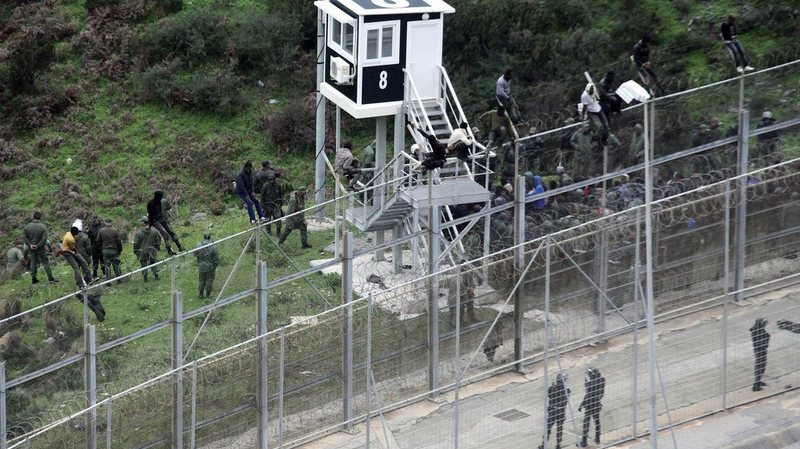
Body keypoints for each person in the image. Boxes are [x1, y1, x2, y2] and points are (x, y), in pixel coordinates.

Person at [23, 211, 57, 284]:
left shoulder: (27, 227)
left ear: (33, 217)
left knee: (33, 262)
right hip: (40, 248)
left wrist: (30, 245)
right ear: (40, 217)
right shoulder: (43, 227)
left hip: (31, 248)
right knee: (45, 262)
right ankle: (50, 278)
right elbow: (44, 239)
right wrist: (38, 245)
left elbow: (25, 238)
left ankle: (34, 278)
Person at [539, 373, 570, 449]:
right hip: (560, 412)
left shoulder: (553, 389)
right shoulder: (567, 390)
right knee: (559, 429)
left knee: (549, 428)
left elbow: (549, 395)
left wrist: (553, 389)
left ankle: (544, 445)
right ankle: (558, 445)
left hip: (553, 412)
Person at [578, 367, 606, 447]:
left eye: (589, 374)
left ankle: (584, 442)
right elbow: (601, 394)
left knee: (586, 422)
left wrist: (581, 405)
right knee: (597, 421)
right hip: (596, 404)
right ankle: (597, 438)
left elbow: (587, 395)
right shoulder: (601, 381)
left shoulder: (590, 384)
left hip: (589, 405)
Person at [234, 160, 267, 225]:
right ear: (245, 167)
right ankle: (252, 219)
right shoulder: (240, 174)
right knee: (249, 203)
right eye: (248, 169)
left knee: (256, 201)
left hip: (249, 191)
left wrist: (252, 192)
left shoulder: (249, 172)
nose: (249, 170)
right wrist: (247, 195)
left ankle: (261, 216)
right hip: (241, 192)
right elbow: (241, 186)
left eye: (250, 169)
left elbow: (251, 182)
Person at [59, 225, 92, 289]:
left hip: (71, 250)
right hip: (67, 253)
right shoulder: (70, 239)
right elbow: (73, 248)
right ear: (74, 233)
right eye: (77, 233)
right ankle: (80, 284)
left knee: (84, 263)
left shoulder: (68, 233)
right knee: (76, 267)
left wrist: (63, 244)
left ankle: (89, 280)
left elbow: (61, 241)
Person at [147, 191, 179, 255]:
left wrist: (162, 218)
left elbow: (160, 211)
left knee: (171, 231)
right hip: (155, 221)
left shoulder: (159, 202)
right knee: (165, 234)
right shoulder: (150, 203)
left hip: (161, 219)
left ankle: (179, 246)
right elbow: (150, 215)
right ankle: (169, 250)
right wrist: (150, 224)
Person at [449, 261, 480, 328]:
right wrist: (469, 289)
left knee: (470, 304)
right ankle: (455, 322)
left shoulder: (469, 273)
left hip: (466, 292)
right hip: (457, 294)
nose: (466, 268)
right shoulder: (456, 276)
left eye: (467, 266)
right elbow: (459, 286)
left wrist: (472, 288)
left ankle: (472, 318)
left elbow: (472, 282)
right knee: (459, 308)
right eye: (464, 267)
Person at [133, 216, 161, 282]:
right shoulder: (154, 230)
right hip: (152, 250)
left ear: (143, 222)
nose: (140, 222)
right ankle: (156, 275)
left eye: (141, 221)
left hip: (142, 251)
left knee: (143, 264)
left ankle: (145, 278)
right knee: (153, 263)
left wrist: (135, 250)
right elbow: (158, 240)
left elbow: (136, 243)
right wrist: (156, 248)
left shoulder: (139, 232)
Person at [194, 232, 220, 299]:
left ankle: (200, 294)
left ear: (203, 237)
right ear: (209, 237)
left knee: (201, 280)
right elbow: (216, 258)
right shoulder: (213, 246)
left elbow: (195, 254)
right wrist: (215, 266)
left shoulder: (198, 245)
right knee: (209, 280)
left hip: (201, 266)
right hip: (210, 266)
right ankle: (208, 295)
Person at [750, 318, 769, 391]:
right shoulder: (758, 331)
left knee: (762, 366)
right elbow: (760, 342)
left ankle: (758, 382)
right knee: (759, 367)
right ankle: (756, 386)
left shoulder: (758, 330)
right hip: (760, 351)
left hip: (761, 351)